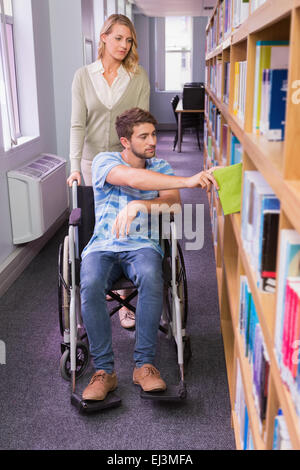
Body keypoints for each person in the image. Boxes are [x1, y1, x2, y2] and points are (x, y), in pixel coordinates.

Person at [80, 107, 219, 401]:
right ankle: (104, 371)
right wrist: (188, 180)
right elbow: (133, 179)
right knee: (90, 284)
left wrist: (140, 206)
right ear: (125, 141)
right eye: (143, 136)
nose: (152, 141)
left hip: (142, 245)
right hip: (103, 245)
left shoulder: (163, 167)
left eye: (154, 134)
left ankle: (144, 366)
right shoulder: (105, 161)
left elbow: (173, 204)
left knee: (151, 276)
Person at [67, 14, 150, 329]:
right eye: (118, 38)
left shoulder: (138, 76)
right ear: (103, 37)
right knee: (96, 228)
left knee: (126, 227)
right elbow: (77, 123)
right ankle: (102, 287)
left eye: (128, 40)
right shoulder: (83, 77)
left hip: (126, 163)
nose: (123, 45)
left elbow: (142, 122)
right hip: (91, 162)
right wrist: (75, 166)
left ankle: (127, 302)